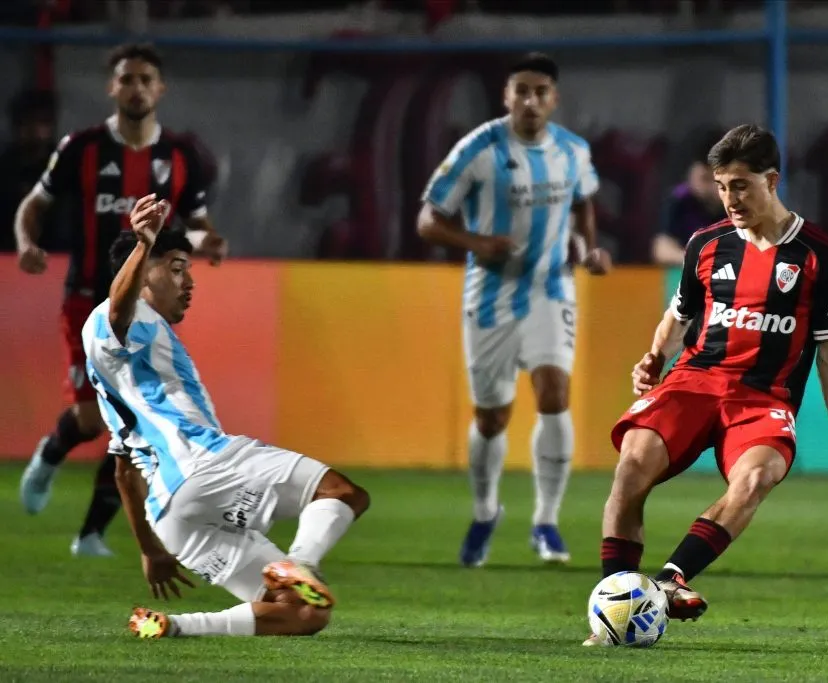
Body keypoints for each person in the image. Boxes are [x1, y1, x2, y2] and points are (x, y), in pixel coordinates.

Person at [586, 125, 828, 646]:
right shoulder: (705, 245)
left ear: (772, 181)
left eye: (742, 185)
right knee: (632, 462)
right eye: (723, 185)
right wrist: (655, 357)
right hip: (695, 381)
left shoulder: (820, 255)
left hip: (763, 399)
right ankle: (615, 606)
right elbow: (678, 315)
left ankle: (665, 583)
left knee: (756, 478)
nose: (730, 198)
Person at [86, 194, 369, 638]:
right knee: (341, 493)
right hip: (204, 465)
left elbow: (124, 471)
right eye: (176, 268)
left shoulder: (126, 377)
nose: (188, 282)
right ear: (142, 273)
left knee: (304, 613)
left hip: (171, 516)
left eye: (189, 271)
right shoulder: (116, 318)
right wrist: (143, 244)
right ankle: (300, 563)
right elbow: (119, 311)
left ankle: (170, 627)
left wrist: (150, 548)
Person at [15, 43, 228, 557]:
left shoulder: (181, 158)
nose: (136, 88)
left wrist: (210, 243)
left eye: (145, 79)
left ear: (160, 89)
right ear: (113, 87)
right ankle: (52, 451)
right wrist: (27, 245)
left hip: (150, 311)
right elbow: (34, 205)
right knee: (92, 421)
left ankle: (90, 536)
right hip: (88, 300)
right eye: (127, 79)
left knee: (136, 422)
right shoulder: (81, 148)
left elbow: (195, 230)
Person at [417, 52, 612, 567]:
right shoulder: (478, 148)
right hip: (490, 298)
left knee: (554, 393)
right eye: (520, 91)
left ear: (555, 98)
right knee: (492, 416)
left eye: (540, 91)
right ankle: (485, 512)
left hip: (551, 289)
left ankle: (546, 521)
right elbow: (428, 220)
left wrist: (589, 250)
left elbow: (584, 202)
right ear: (506, 96)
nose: (530, 101)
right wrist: (477, 242)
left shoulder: (573, 151)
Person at [0, 88, 63, 253]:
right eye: (27, 123)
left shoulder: (64, 166)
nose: (34, 130)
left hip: (57, 257)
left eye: (42, 122)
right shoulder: (5, 167)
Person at [651, 130, 726, 267]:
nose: (711, 188)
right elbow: (661, 250)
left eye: (716, 180)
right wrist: (699, 261)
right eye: (705, 179)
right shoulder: (679, 201)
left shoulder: (737, 206)